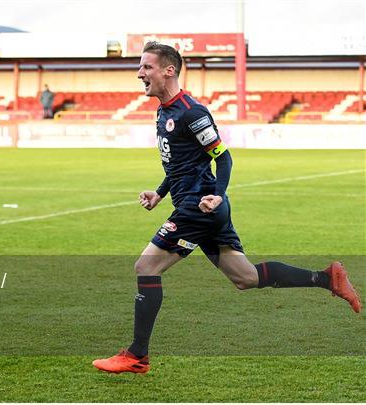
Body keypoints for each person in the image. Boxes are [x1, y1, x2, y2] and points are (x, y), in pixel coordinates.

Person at [92, 41, 362, 375]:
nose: (139, 73)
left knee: (146, 267)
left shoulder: (192, 112)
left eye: (146, 66)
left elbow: (223, 156)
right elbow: (180, 165)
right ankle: (327, 279)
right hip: (202, 206)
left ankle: (137, 355)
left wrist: (217, 194)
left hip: (200, 207)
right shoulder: (164, 111)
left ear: (168, 70)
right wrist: (161, 193)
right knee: (245, 278)